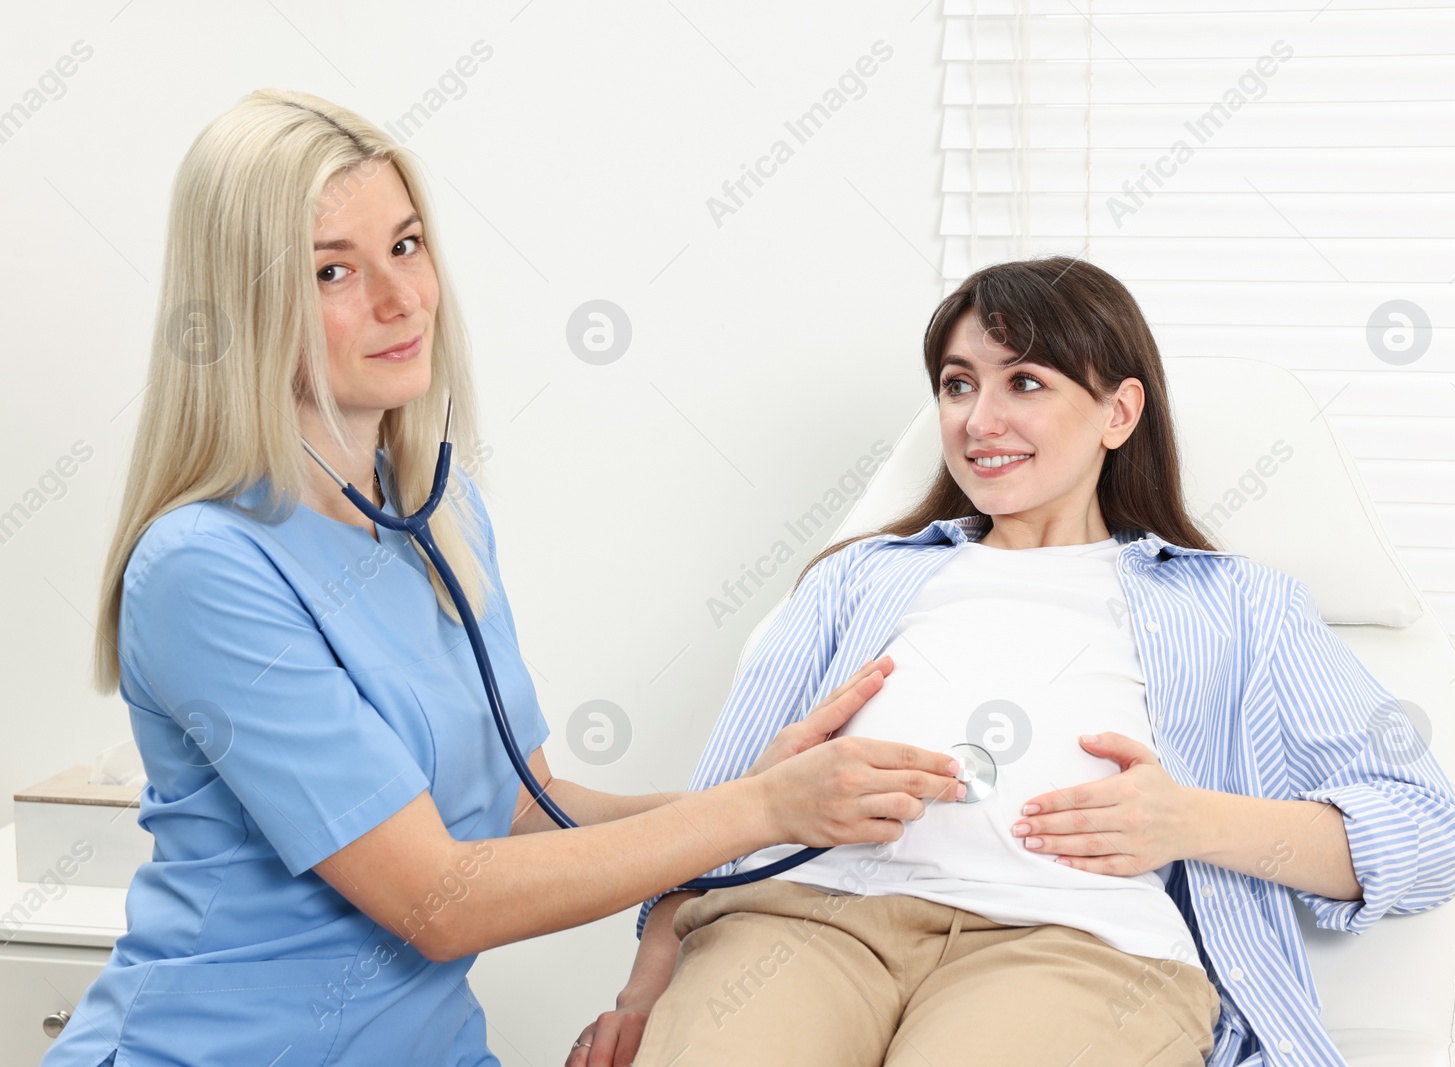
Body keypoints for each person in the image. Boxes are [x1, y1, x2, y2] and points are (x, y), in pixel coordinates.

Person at [42, 88, 965, 1067]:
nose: (400, 300)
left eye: (406, 245)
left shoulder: (438, 513)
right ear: (246, 304)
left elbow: (524, 804)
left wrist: (758, 788)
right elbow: (436, 900)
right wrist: (761, 812)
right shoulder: (205, 568)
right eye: (332, 270)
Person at [572, 257, 1455, 1067]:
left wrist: (1189, 820)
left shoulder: (1236, 605)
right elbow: (715, 812)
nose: (978, 419)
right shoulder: (856, 581)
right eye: (958, 384)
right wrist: (642, 992)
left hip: (1077, 947)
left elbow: (1428, 832)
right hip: (806, 920)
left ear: (1119, 412)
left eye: (1026, 382)